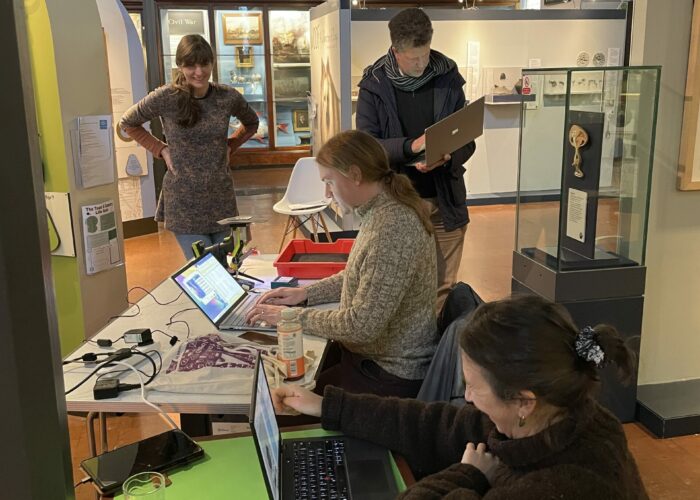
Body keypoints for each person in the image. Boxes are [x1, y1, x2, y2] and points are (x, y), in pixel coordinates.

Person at [271, 295, 648, 499]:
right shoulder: (552, 417)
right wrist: (323, 405)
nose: (466, 397)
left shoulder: (559, 485)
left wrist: (469, 475)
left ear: (523, 400)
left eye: (472, 386)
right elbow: (434, 424)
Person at [246, 130, 438, 398]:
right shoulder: (383, 212)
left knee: (280, 400)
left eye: (329, 182)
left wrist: (289, 317)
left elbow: (360, 327)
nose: (327, 192)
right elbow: (359, 275)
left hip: (389, 375)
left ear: (355, 175)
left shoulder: (393, 228)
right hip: (374, 361)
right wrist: (305, 294)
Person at [356, 8, 476, 312]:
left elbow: (467, 139)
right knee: (401, 289)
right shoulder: (374, 84)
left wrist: (449, 155)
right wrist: (411, 147)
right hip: (398, 202)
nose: (422, 64)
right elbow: (367, 148)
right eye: (413, 58)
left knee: (443, 290)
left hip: (445, 199)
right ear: (396, 51)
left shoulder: (448, 76)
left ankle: (438, 356)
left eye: (425, 55)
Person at [119, 34, 259, 257]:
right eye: (190, 65)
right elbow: (128, 123)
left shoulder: (227, 97)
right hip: (184, 201)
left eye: (204, 64)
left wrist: (231, 145)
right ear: (180, 66)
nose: (199, 72)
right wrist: (161, 149)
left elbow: (251, 122)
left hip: (221, 197)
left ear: (212, 63)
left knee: (232, 264)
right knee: (205, 270)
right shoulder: (167, 96)